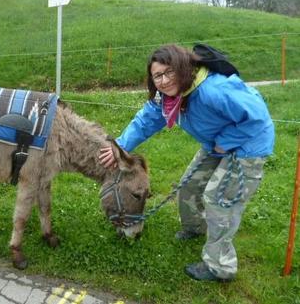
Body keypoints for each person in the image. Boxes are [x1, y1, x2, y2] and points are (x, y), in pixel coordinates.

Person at [99, 44, 274, 282]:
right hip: (216, 143)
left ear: (182, 68)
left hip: (247, 146)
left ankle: (220, 267)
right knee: (189, 186)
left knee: (219, 200)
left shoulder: (214, 90)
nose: (163, 80)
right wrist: (120, 146)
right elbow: (148, 120)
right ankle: (195, 228)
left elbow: (256, 117)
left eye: (168, 72)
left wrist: (225, 142)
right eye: (157, 75)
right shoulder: (171, 96)